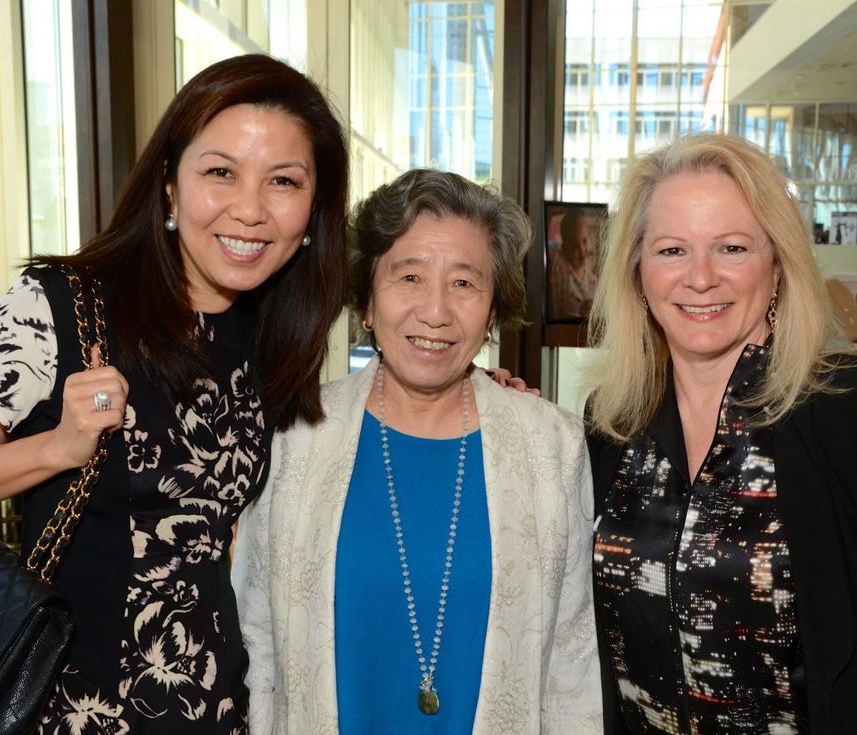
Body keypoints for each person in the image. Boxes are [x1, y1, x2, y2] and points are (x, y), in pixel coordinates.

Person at [0, 53, 348, 732]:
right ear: (169, 185)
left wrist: (477, 396)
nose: (250, 209)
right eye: (220, 172)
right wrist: (58, 447)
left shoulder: (268, 341)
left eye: (282, 181)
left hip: (216, 706)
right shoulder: (60, 306)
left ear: (313, 209)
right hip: (70, 711)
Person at [583, 133, 857, 734]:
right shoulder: (613, 422)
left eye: (732, 247)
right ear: (637, 274)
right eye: (671, 250)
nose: (700, 277)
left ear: (777, 265)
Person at [233, 168, 602, 734]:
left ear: (493, 314)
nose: (435, 312)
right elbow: (254, 641)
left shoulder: (552, 447)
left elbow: (574, 668)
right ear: (367, 302)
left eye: (464, 283)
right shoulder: (295, 435)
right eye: (408, 277)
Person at [549, 206, 599, 319]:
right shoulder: (560, 263)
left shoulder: (592, 278)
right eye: (575, 246)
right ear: (564, 248)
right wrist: (551, 214)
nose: (582, 250)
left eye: (585, 241)